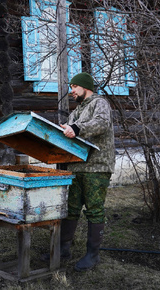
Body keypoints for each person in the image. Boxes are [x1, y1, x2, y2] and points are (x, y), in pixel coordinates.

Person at [59, 72, 115, 271]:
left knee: (94, 210)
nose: (72, 91)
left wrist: (76, 128)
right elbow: (73, 129)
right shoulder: (76, 111)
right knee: (71, 207)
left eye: (75, 86)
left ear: (85, 86)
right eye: (71, 87)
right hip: (77, 166)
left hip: (97, 167)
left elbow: (101, 123)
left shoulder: (99, 103)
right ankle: (63, 249)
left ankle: (93, 255)